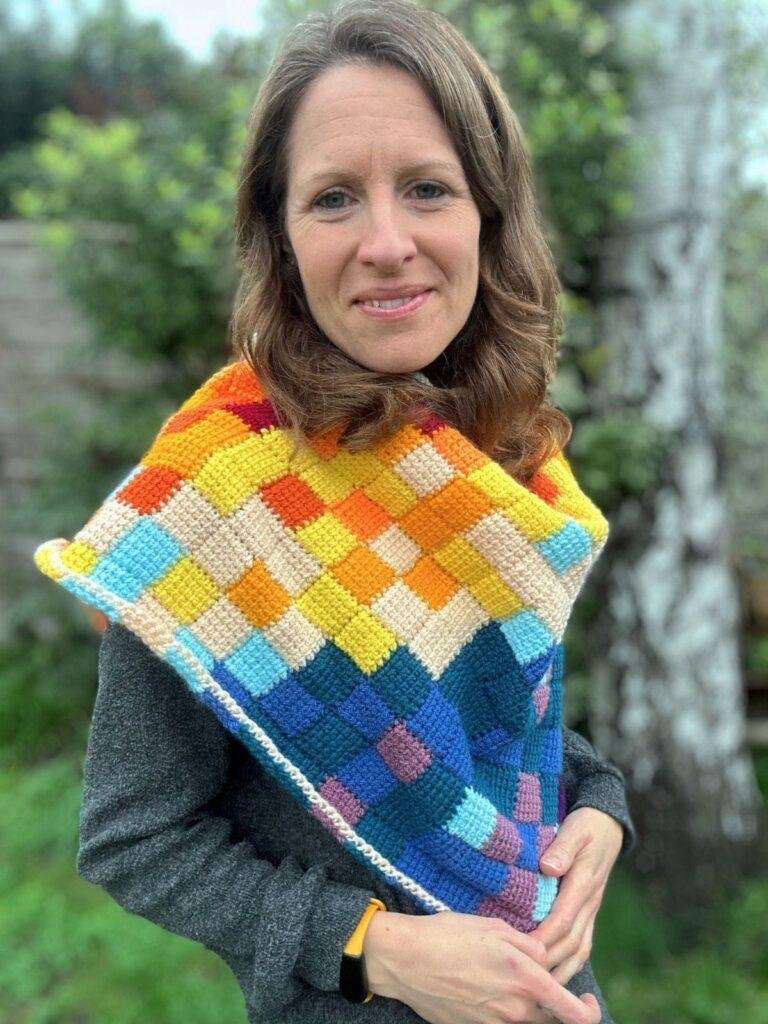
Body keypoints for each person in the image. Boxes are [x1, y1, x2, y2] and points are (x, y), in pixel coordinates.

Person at [34, 1, 637, 1022]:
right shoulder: (219, 499)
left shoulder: (506, 460)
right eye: (334, 199)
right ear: (280, 234)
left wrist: (600, 805)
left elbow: (480, 714)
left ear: (488, 213)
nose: (387, 242)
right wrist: (376, 947)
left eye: (427, 189)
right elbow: (133, 831)